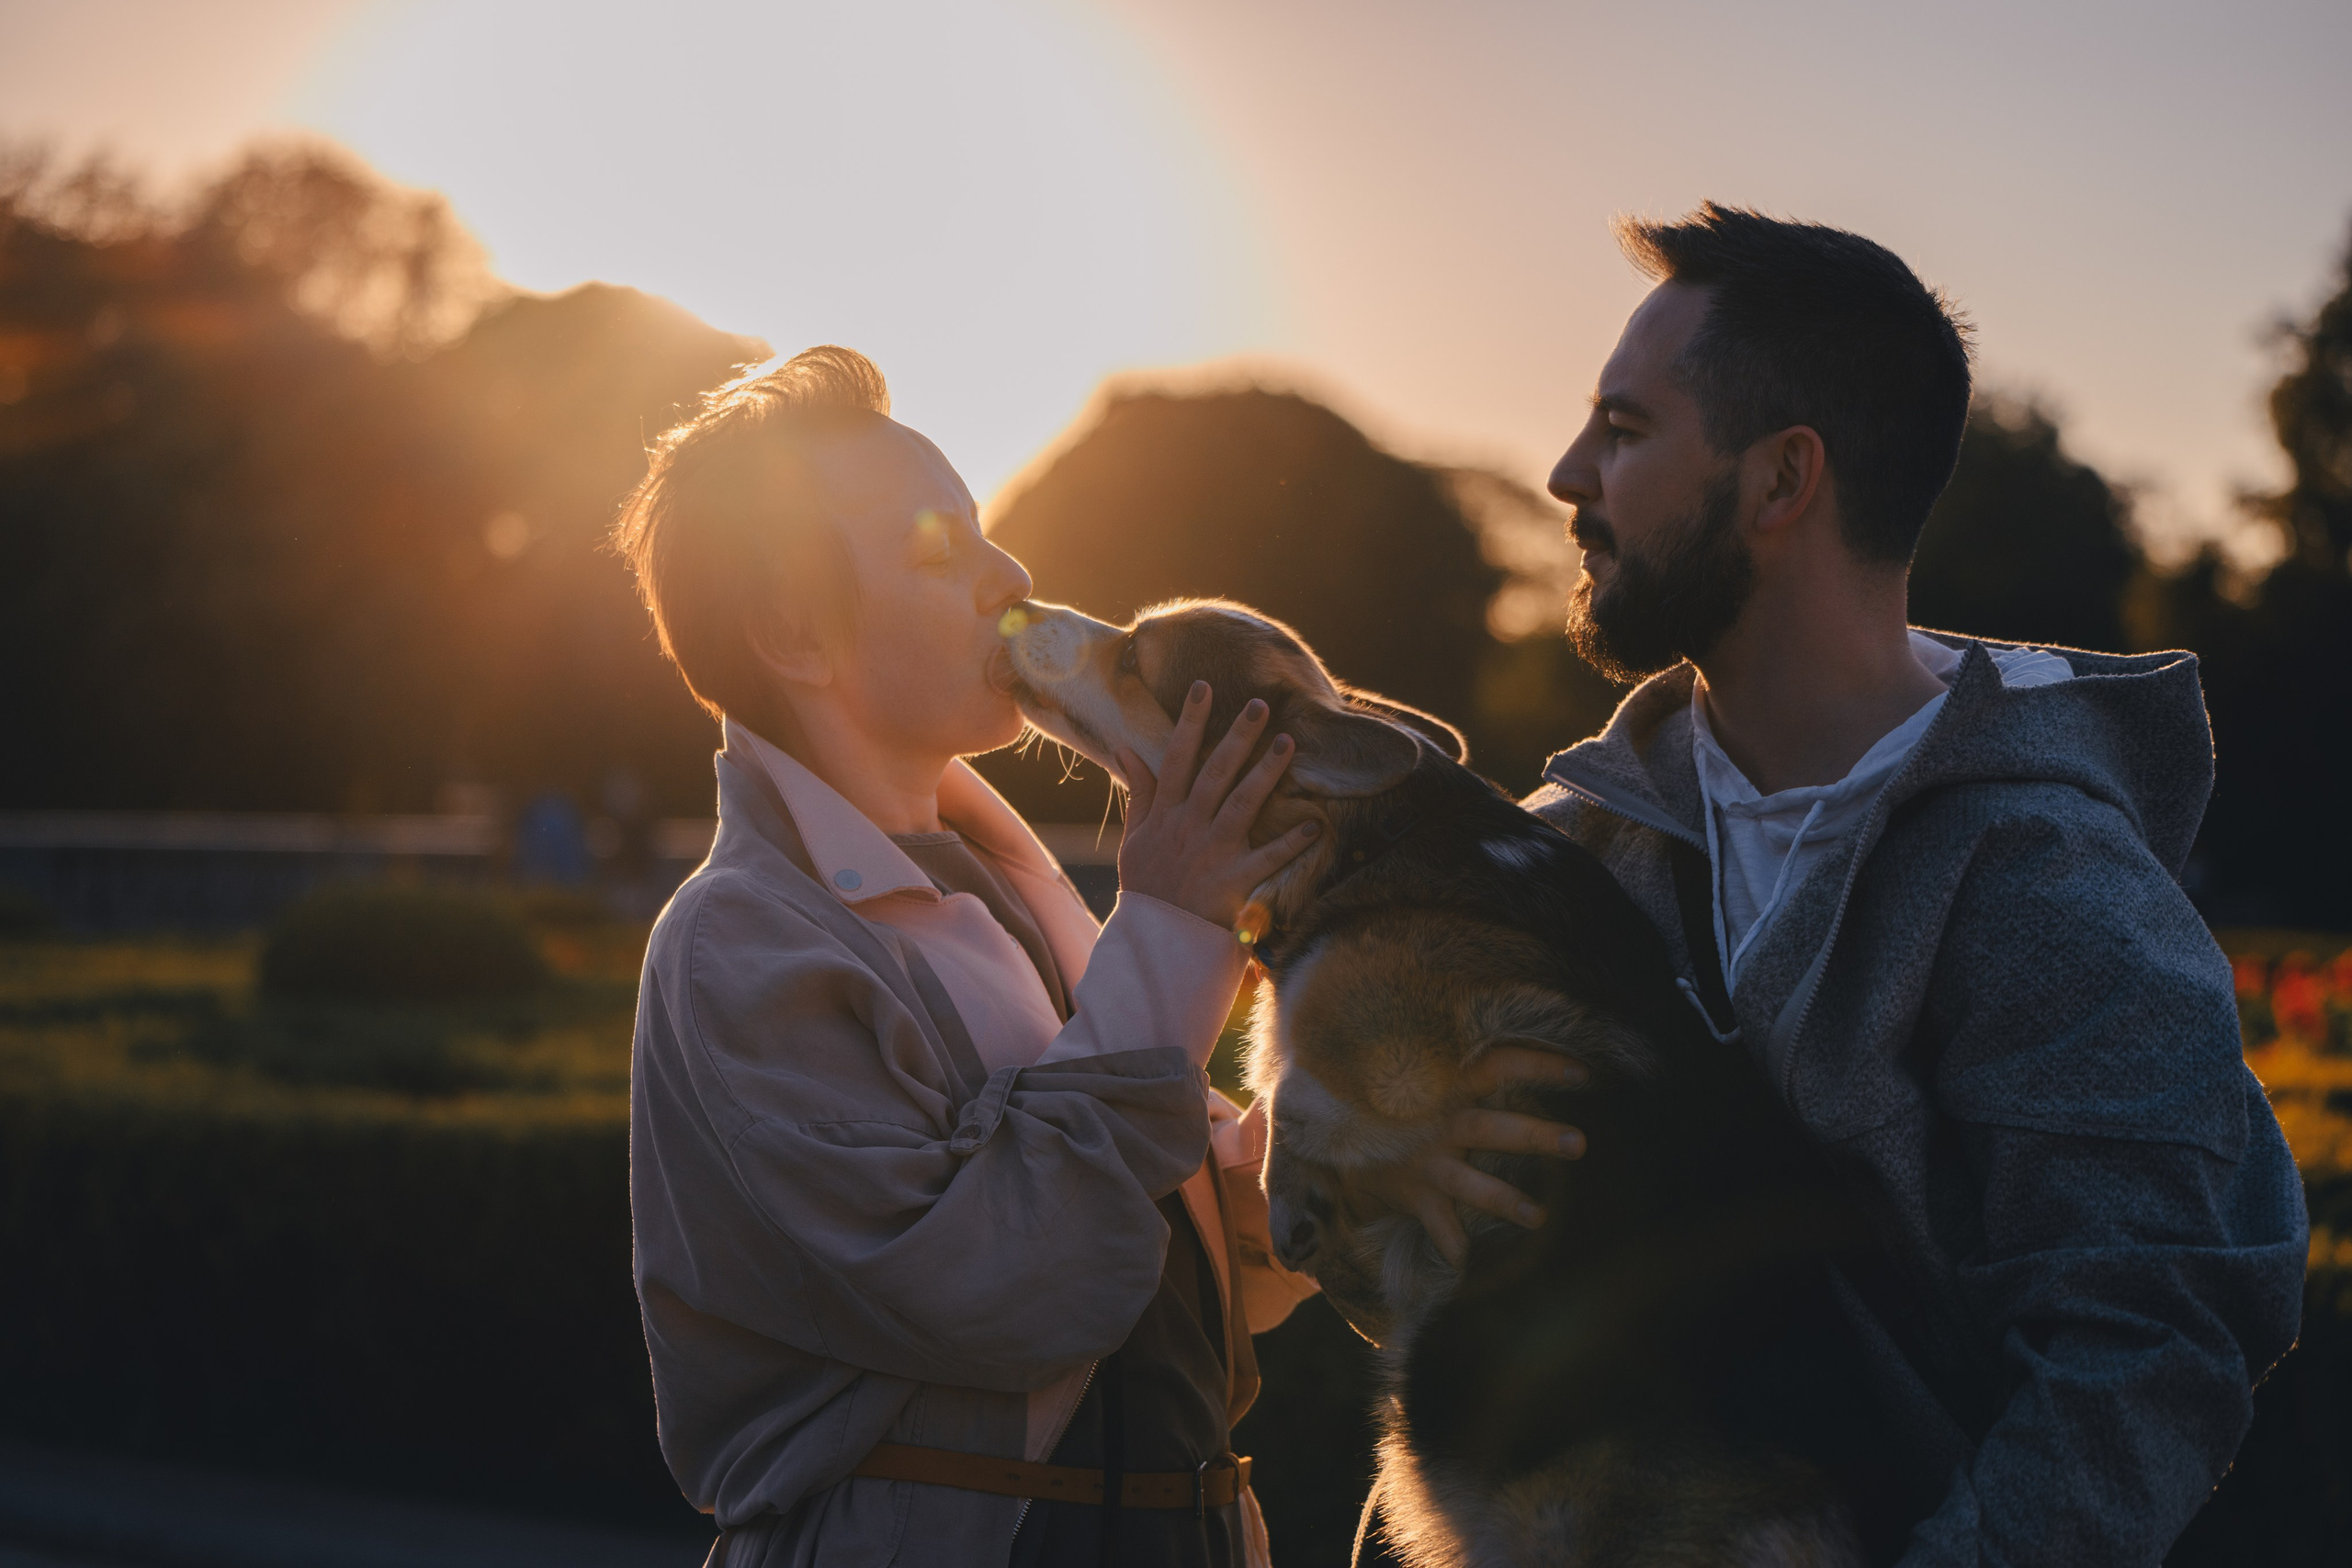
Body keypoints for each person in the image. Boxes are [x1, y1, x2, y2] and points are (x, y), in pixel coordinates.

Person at [613, 346, 1579, 1568]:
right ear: (799, 633)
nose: (1008, 574)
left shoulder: (1024, 903)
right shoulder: (738, 945)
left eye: (983, 532)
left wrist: (1377, 1143)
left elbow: (1180, 1243)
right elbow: (1005, 1289)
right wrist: (1172, 934)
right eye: (936, 549)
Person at [1524, 204, 2308, 1563]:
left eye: (1625, 429)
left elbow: (2143, 1361)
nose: (1563, 473)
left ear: (1781, 483)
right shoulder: (1571, 850)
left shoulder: (2051, 890)